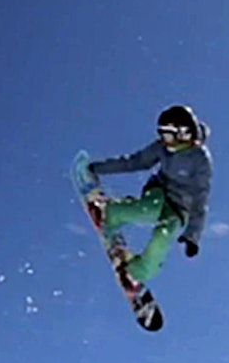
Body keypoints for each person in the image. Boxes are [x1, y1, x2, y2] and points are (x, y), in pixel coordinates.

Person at [86, 104, 214, 285]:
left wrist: (193, 236)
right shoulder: (161, 147)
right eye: (161, 134)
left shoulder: (200, 160)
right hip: (160, 190)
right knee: (148, 210)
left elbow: (200, 198)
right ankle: (113, 212)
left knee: (163, 236)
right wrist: (99, 168)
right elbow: (135, 162)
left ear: (184, 133)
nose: (164, 140)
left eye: (168, 135)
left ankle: (139, 272)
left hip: (180, 208)